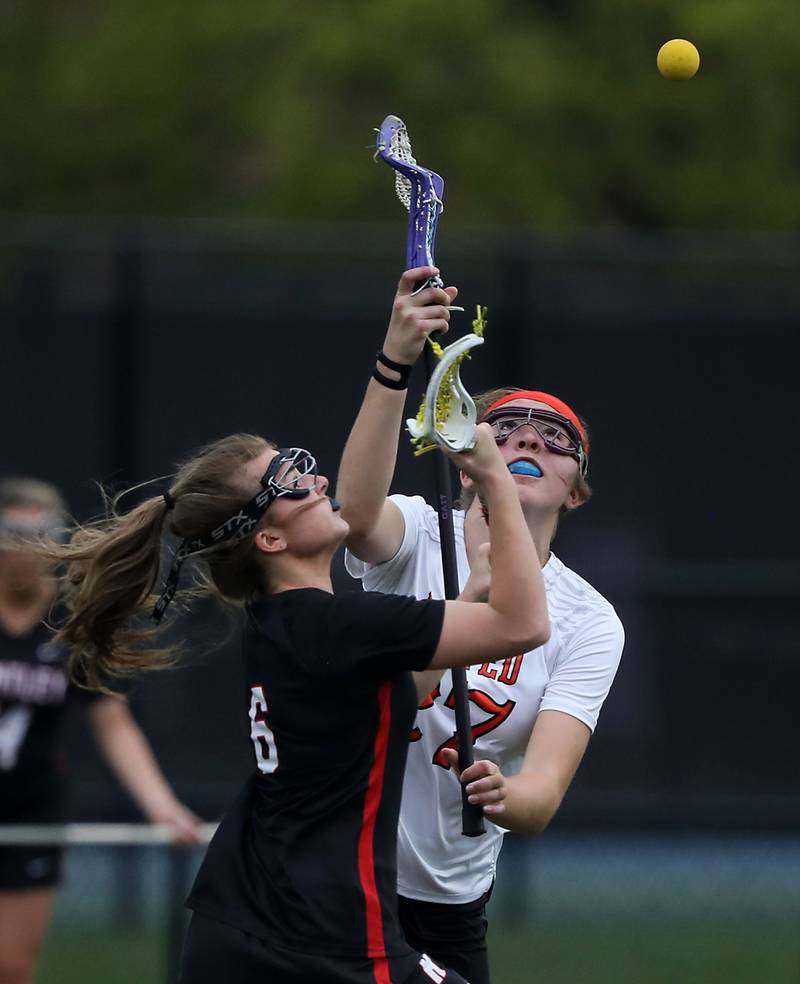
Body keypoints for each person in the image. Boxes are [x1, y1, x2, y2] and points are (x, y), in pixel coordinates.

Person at [44, 426, 548, 983]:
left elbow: (394, 698)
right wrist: (493, 478)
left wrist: (467, 600)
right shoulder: (341, 625)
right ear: (269, 540)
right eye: (291, 482)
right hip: (328, 937)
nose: (318, 482)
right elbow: (525, 624)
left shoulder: (277, 623)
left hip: (239, 922)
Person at [337, 266, 625, 984]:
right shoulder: (414, 531)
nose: (527, 440)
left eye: (554, 437)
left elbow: (543, 792)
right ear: (465, 461)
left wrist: (507, 793)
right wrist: (395, 357)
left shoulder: (590, 621)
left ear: (578, 489)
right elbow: (355, 515)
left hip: (446, 896)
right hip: (338, 864)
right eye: (505, 429)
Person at [0, 476, 202, 984]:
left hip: (32, 811)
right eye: (11, 533)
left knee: (11, 967)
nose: (25, 548)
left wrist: (162, 807)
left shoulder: (74, 623)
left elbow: (113, 724)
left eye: (39, 533)